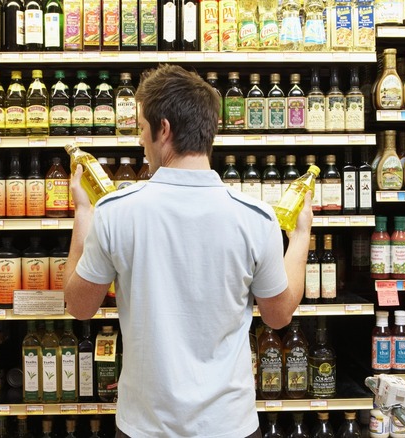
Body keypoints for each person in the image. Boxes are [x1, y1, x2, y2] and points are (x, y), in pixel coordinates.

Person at [63, 64, 312, 438]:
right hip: (230, 425)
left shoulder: (116, 212)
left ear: (164, 129)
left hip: (145, 427)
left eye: (143, 131)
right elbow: (278, 316)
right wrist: (302, 235)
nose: (141, 143)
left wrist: (83, 212)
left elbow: (79, 306)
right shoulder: (255, 217)